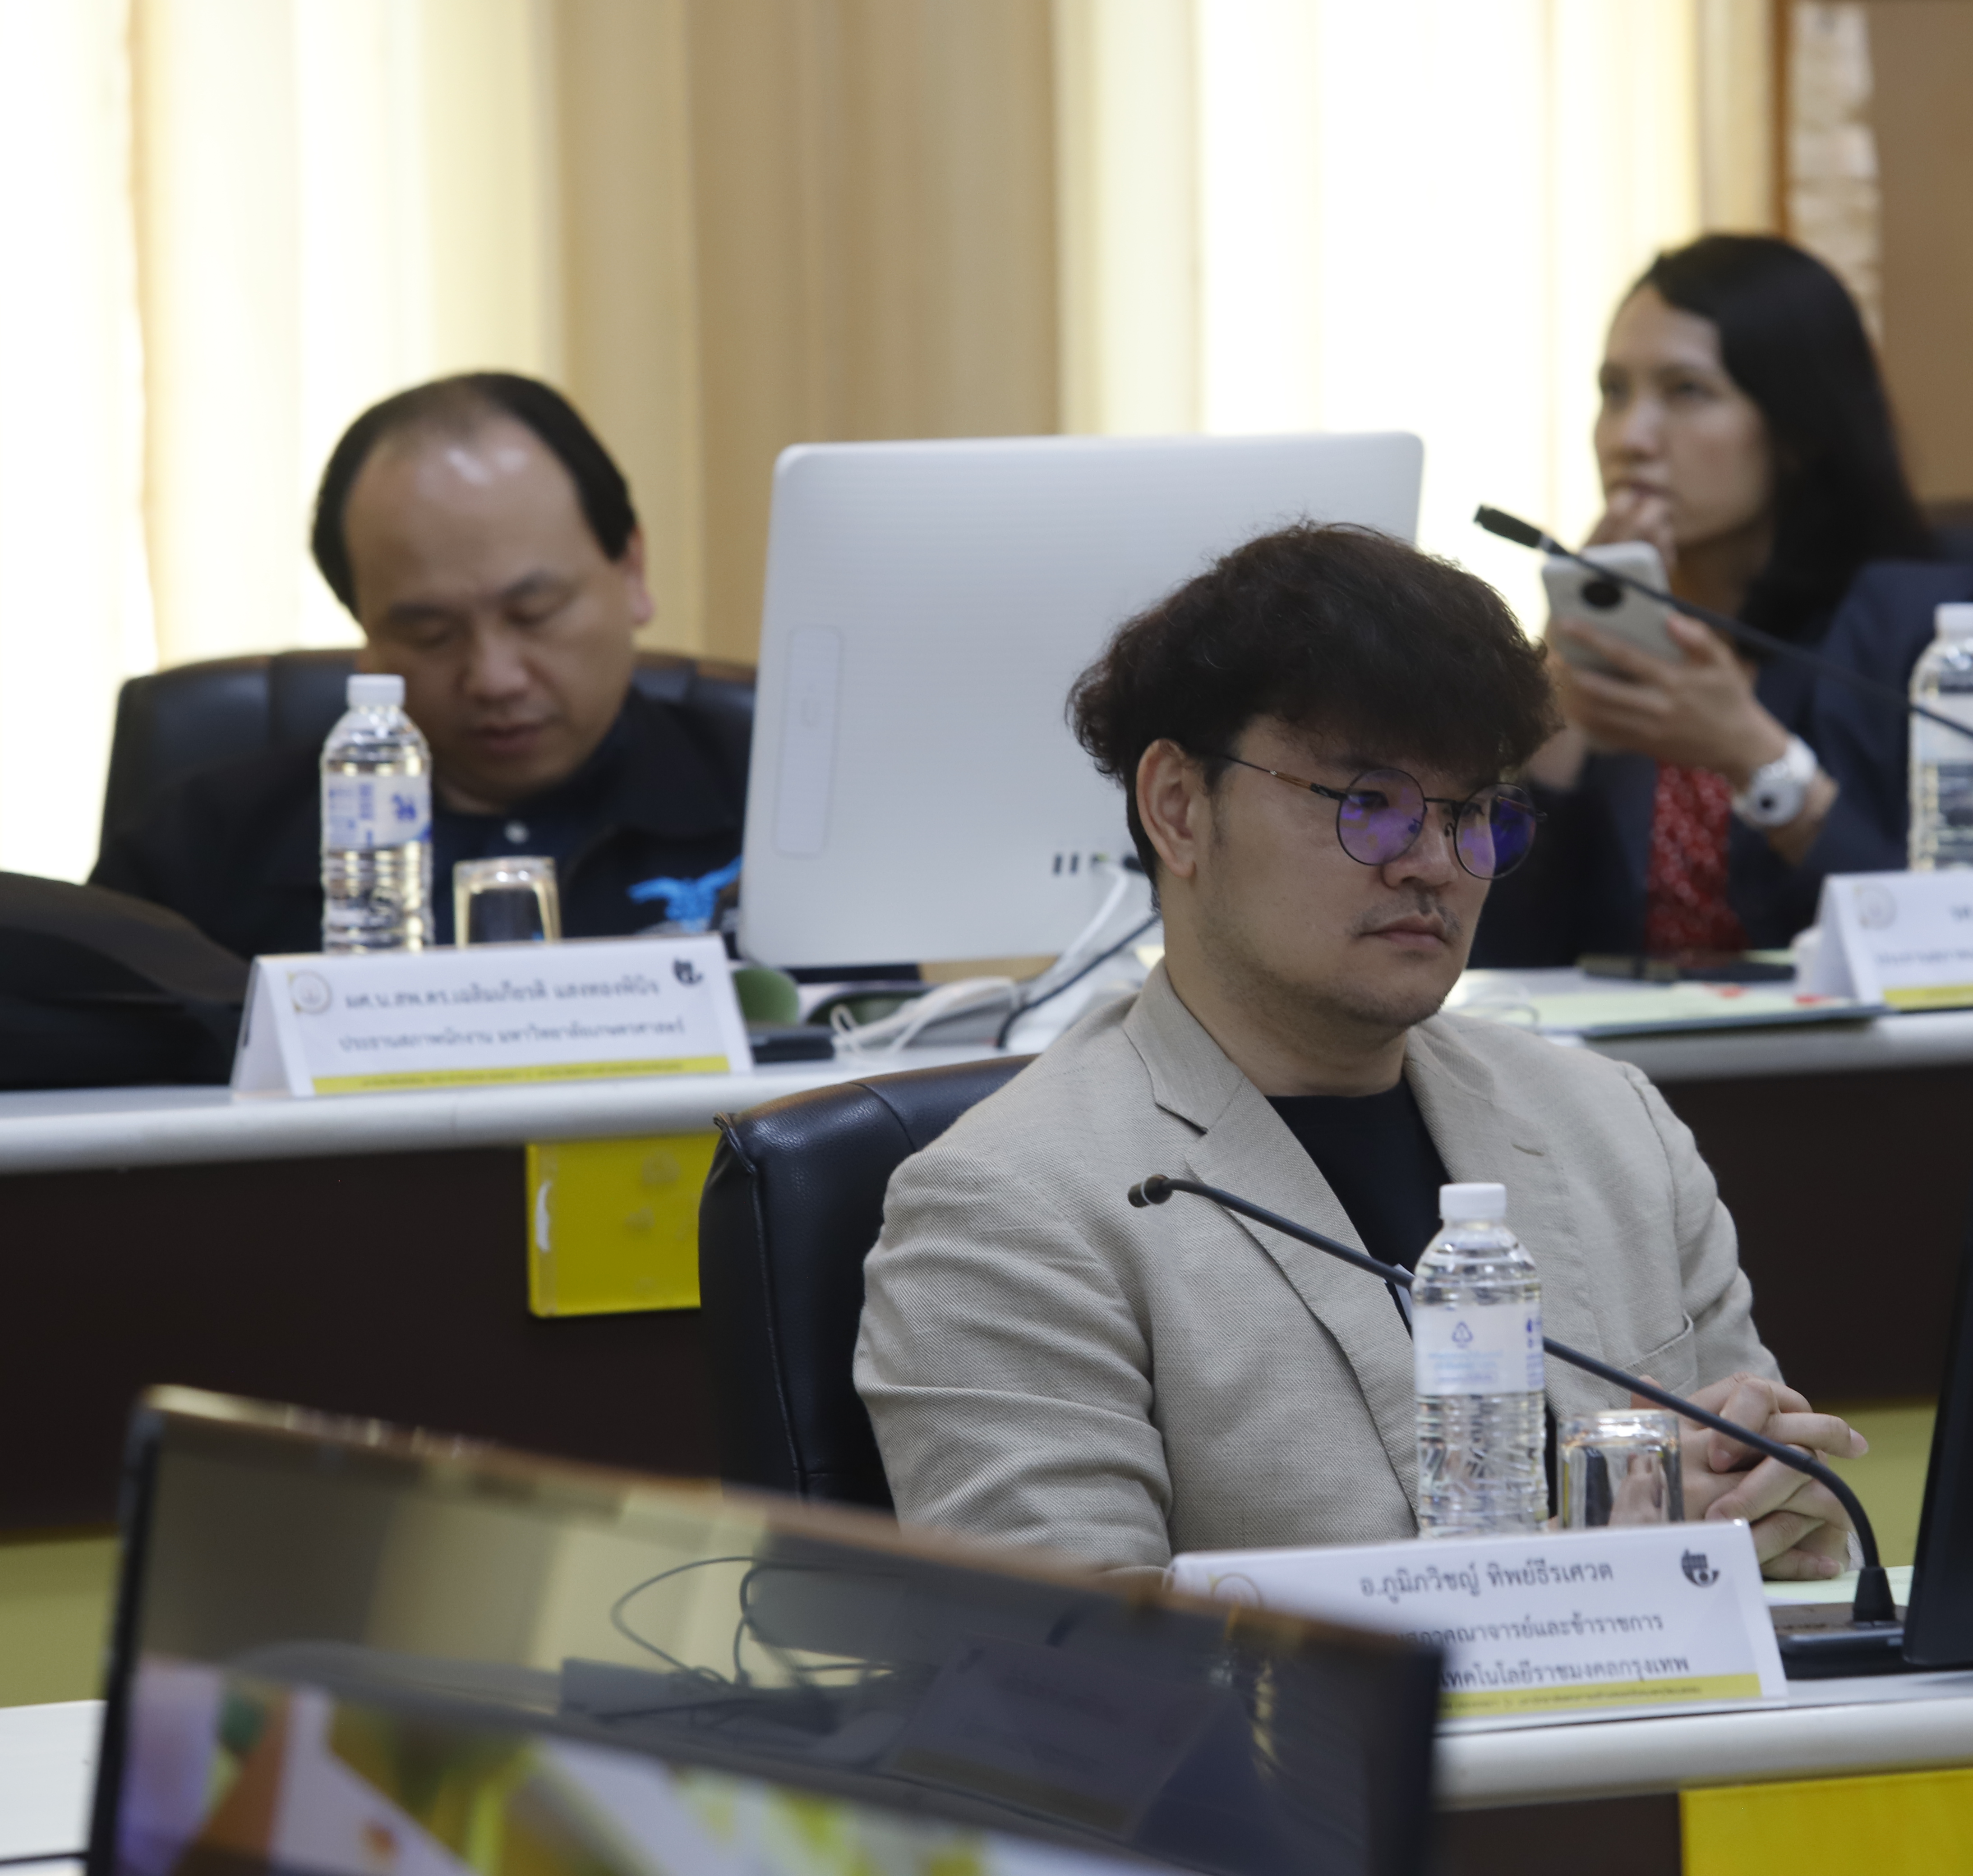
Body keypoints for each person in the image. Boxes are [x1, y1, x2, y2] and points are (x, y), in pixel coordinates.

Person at [855, 523, 1867, 1576]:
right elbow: (1077, 1655)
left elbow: (1781, 1549)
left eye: (1473, 810)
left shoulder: (1615, 1129)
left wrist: (1781, 1514)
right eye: (1369, 804)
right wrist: (1587, 1563)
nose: (1434, 862)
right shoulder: (1009, 1206)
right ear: (1178, 809)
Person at [1472, 234, 1973, 965]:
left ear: (1797, 431)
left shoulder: (1921, 629)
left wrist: (1753, 755)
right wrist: (1553, 699)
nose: (1630, 437)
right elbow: (1497, 954)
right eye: (1615, 392)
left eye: (1686, 391)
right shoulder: (1611, 635)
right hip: (1619, 1041)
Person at [93, 372, 746, 956]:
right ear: (365, 632)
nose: (494, 679)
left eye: (535, 613)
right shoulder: (200, 853)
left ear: (632, 570)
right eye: (430, 634)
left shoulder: (769, 807)